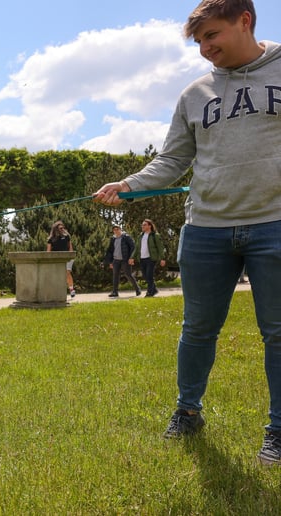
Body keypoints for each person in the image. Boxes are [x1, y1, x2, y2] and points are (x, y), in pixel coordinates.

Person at [93, 0, 281, 465]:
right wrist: (130, 184)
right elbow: (173, 158)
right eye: (199, 41)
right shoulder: (194, 94)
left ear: (245, 21)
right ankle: (188, 411)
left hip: (275, 223)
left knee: (278, 332)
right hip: (206, 230)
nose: (205, 48)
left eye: (212, 36)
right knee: (197, 329)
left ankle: (278, 430)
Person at [129, 219, 166, 297]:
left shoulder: (155, 235)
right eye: (142, 225)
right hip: (142, 258)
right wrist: (132, 257)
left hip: (151, 258)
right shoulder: (140, 236)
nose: (142, 226)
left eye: (144, 225)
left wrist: (162, 258)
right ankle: (154, 289)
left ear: (150, 226)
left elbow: (160, 247)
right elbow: (137, 248)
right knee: (145, 276)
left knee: (149, 275)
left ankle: (149, 292)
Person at [103, 225, 141, 298]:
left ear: (120, 230)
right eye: (114, 230)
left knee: (128, 275)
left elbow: (133, 247)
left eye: (117, 229)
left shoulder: (126, 237)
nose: (116, 231)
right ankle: (115, 292)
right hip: (115, 260)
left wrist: (131, 258)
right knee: (115, 276)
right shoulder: (113, 239)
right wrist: (110, 262)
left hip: (125, 260)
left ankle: (137, 289)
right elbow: (110, 251)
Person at [46, 220, 76, 298]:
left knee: (67, 272)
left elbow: (70, 247)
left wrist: (71, 256)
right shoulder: (51, 239)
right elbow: (48, 251)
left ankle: (71, 289)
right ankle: (56, 290)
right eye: (60, 228)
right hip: (56, 258)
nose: (62, 229)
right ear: (56, 229)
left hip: (67, 257)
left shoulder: (67, 236)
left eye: (63, 228)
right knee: (56, 275)